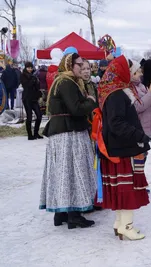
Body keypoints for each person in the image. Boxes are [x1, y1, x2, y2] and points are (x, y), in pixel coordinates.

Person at [39, 53, 97, 229]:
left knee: (63, 172)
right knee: (73, 171)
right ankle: (74, 214)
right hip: (68, 133)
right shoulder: (67, 82)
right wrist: (91, 102)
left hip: (64, 132)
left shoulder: (64, 81)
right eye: (79, 64)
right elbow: (76, 109)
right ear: (70, 66)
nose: (81, 67)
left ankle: (62, 213)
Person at [97, 55, 151, 241]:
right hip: (123, 148)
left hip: (119, 147)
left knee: (122, 188)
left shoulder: (117, 91)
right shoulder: (117, 94)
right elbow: (116, 123)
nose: (137, 74)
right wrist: (138, 135)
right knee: (128, 188)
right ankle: (127, 227)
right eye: (133, 70)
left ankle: (120, 224)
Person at [130, 60, 151, 139]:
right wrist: (150, 94)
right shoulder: (129, 88)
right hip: (138, 128)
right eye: (138, 72)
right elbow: (137, 107)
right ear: (132, 73)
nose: (141, 74)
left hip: (146, 125)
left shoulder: (140, 85)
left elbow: (150, 105)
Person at [21, 62, 43, 140]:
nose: (30, 69)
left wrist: (39, 92)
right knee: (29, 117)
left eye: (31, 67)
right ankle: (30, 135)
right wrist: (32, 80)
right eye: (28, 68)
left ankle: (36, 133)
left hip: (34, 98)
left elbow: (37, 86)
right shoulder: (23, 75)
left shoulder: (34, 75)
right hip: (27, 98)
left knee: (39, 116)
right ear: (26, 68)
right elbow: (26, 86)